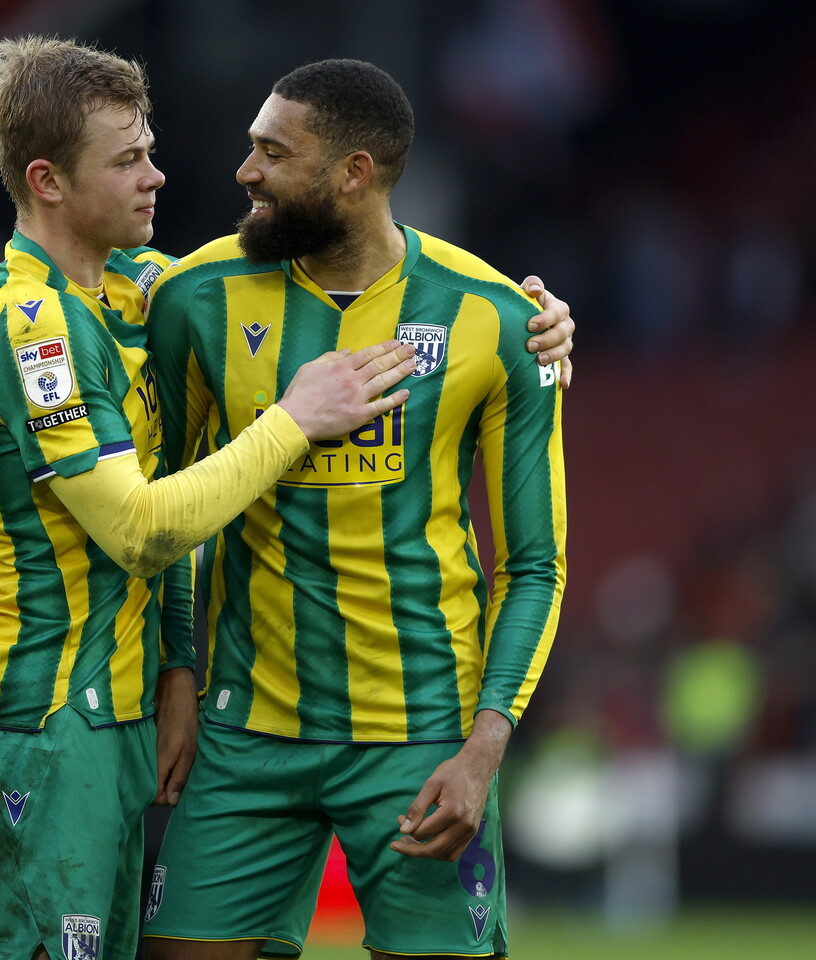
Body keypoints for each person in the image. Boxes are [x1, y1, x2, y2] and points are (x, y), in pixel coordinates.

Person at [0, 36, 423, 960]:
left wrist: (529, 313)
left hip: (112, 721)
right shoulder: (29, 328)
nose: (156, 177)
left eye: (150, 149)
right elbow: (139, 527)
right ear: (45, 181)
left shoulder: (136, 290)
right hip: (37, 722)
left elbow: (318, 260)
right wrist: (292, 421)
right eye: (126, 162)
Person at [141, 59, 567, 960]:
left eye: (271, 153)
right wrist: (178, 678)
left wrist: (485, 750)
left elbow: (534, 564)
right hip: (243, 731)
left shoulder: (498, 320)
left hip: (420, 741)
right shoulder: (193, 298)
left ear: (353, 173)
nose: (244, 172)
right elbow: (165, 518)